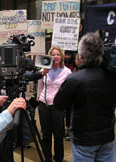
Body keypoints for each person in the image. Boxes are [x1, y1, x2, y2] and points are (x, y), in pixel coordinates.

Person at [54, 32, 116, 162]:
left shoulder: (74, 79)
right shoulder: (111, 76)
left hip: (84, 140)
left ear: (81, 56)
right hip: (106, 136)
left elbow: (58, 104)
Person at [38, 46, 72, 162]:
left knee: (58, 136)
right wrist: (39, 97)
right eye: (53, 54)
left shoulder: (67, 72)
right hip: (44, 105)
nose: (55, 57)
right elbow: (40, 85)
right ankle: (47, 158)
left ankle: (58, 159)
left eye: (57, 54)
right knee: (46, 135)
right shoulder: (44, 70)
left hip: (58, 107)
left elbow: (68, 90)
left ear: (61, 56)